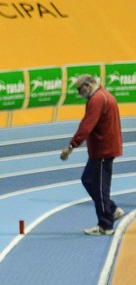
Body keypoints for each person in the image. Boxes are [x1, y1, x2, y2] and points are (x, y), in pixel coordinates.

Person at [60, 74, 124, 235]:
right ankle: (112, 209)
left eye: (80, 91)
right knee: (88, 180)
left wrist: (71, 146)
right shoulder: (104, 96)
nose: (81, 95)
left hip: (103, 150)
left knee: (100, 188)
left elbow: (86, 125)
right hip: (101, 150)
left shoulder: (97, 100)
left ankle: (106, 225)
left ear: (88, 85)